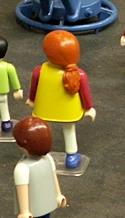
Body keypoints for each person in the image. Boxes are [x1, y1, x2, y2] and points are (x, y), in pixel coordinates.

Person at [27, 30, 96, 170]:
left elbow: (34, 88)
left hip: (44, 109)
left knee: (43, 130)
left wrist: (32, 100)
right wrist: (89, 108)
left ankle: (42, 153)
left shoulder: (39, 71)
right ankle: (71, 156)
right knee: (69, 130)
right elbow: (85, 94)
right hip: (68, 111)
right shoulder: (79, 74)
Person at [12, 117, 67, 218]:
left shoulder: (22, 168)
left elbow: (23, 188)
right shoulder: (48, 159)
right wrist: (58, 194)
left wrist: (24, 211)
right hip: (40, 206)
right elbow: (53, 176)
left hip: (40, 206)